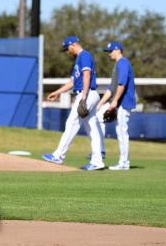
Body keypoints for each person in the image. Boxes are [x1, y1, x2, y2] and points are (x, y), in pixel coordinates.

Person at [42, 36, 105, 170]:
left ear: (73, 45)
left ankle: (59, 155)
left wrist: (83, 97)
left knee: (72, 123)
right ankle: (97, 161)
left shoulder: (84, 55)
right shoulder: (79, 59)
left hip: (86, 93)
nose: (67, 52)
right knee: (92, 128)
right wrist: (57, 92)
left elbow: (87, 75)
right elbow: (72, 82)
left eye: (67, 49)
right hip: (88, 94)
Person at [96, 41, 136, 170]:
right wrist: (100, 103)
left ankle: (124, 162)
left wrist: (115, 101)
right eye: (108, 51)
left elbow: (122, 84)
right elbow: (111, 88)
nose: (109, 54)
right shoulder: (118, 65)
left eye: (110, 51)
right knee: (100, 119)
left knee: (122, 132)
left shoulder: (123, 63)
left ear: (118, 50)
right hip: (119, 102)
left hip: (124, 103)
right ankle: (102, 152)